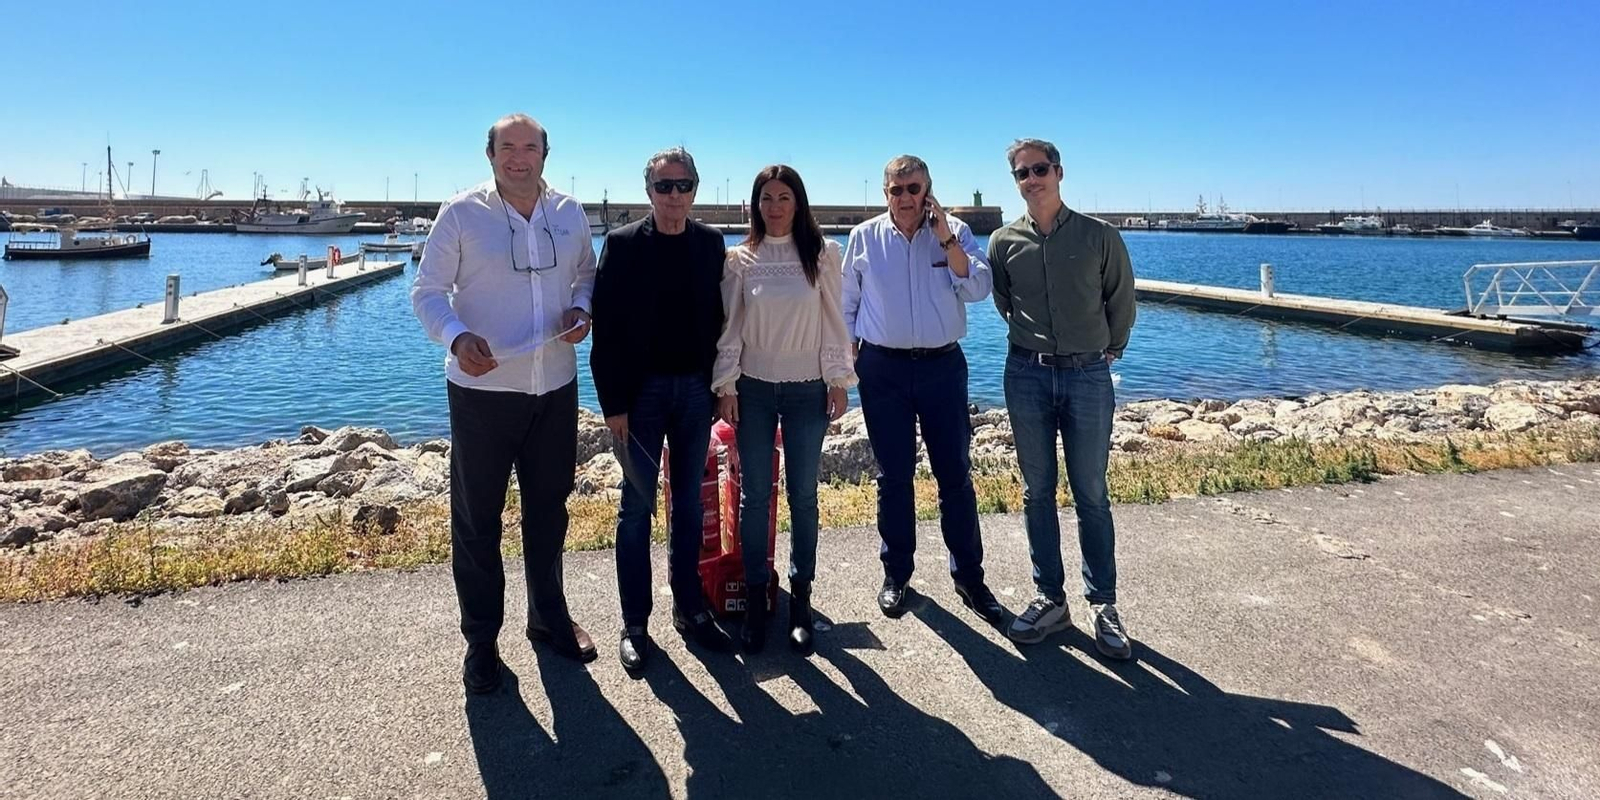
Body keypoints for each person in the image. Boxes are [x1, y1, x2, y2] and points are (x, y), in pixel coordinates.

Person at [411, 113, 598, 694]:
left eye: (530, 147)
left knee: (550, 511)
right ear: (489, 154)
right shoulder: (462, 212)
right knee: (476, 522)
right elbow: (427, 292)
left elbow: (585, 276)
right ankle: (482, 641)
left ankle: (547, 618)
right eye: (508, 147)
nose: (520, 157)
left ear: (547, 154)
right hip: (482, 394)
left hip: (555, 387)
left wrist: (582, 312)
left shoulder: (569, 213)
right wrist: (456, 337)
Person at [840, 155, 1006, 625]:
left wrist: (946, 239)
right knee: (893, 477)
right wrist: (845, 364)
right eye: (897, 190)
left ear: (928, 189)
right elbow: (846, 303)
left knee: (954, 473)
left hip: (941, 368)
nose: (906, 198)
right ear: (884, 193)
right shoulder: (864, 238)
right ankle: (896, 575)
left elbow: (977, 289)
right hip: (883, 369)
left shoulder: (954, 233)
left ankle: (970, 577)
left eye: (914, 188)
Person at [987, 137, 1137, 660]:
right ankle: (1051, 598)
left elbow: (1121, 301)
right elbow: (1005, 302)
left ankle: (1104, 604)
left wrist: (1104, 352)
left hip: (1088, 377)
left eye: (1040, 169)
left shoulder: (1101, 237)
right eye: (1023, 173)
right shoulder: (1005, 241)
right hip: (1026, 375)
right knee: (1036, 491)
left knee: (1091, 492)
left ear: (1059, 171)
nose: (1033, 179)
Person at [590, 147, 733, 673]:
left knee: (691, 507)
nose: (674, 195)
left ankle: (690, 607)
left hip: (696, 392)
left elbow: (724, 322)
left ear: (695, 189)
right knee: (635, 510)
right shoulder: (623, 245)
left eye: (683, 185)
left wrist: (723, 386)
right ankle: (634, 622)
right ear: (647, 190)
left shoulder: (712, 244)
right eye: (663, 186)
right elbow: (604, 332)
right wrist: (613, 406)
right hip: (641, 396)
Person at [712, 165, 855, 655]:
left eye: (784, 197)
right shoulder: (740, 260)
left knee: (802, 495)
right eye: (766, 198)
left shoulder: (822, 254)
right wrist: (725, 385)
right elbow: (730, 327)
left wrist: (839, 380)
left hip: (807, 390)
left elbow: (835, 321)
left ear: (799, 203)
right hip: (751, 388)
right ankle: (755, 600)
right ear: (756, 204)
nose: (774, 206)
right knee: (754, 497)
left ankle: (801, 603)